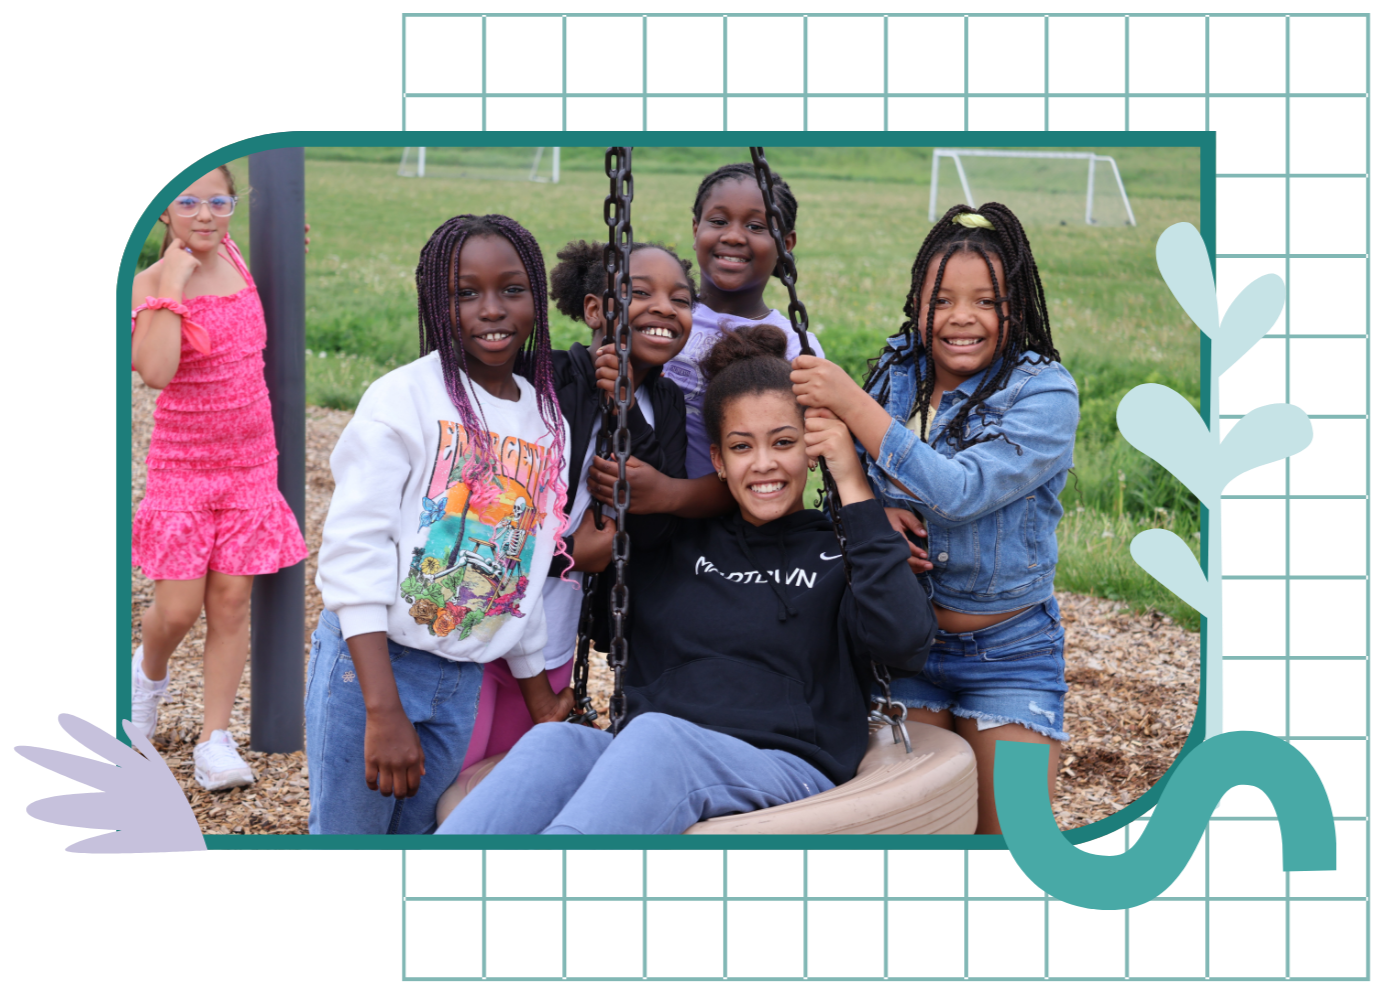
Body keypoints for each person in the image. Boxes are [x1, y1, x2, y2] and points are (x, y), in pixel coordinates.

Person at [436, 325, 936, 835]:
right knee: (556, 743)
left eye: (784, 442)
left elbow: (903, 643)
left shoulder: (841, 550)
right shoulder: (674, 543)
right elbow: (603, 617)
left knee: (658, 739)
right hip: (650, 755)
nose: (764, 463)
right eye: (742, 447)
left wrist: (852, 483)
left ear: (811, 447)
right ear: (718, 460)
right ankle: (422, 893)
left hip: (784, 763)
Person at [789, 203, 1080, 834]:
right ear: (916, 305)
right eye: (942, 299)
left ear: (1018, 309)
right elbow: (848, 476)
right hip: (904, 646)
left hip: (1009, 651)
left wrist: (845, 398)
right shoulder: (899, 374)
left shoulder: (1044, 393)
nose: (961, 318)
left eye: (985, 300)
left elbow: (962, 489)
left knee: (1011, 840)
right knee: (915, 834)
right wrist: (875, 510)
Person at [308, 214, 571, 834]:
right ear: (434, 299)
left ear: (536, 296)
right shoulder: (402, 400)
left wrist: (540, 703)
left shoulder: (543, 420)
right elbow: (355, 550)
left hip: (461, 683)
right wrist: (381, 709)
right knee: (346, 848)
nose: (491, 310)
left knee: (421, 841)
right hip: (373, 667)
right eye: (465, 293)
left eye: (512, 290)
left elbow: (521, 570)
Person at [130, 166, 308, 791]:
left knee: (231, 602)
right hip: (183, 465)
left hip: (250, 463)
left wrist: (293, 243)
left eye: (219, 201)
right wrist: (172, 286)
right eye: (188, 202)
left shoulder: (235, 254)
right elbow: (154, 371)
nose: (205, 215)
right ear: (163, 213)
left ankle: (215, 739)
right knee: (176, 611)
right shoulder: (147, 280)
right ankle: (147, 675)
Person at [585, 162, 824, 517]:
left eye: (756, 226)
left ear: (785, 244)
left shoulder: (792, 346)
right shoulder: (660, 317)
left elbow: (785, 460)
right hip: (631, 508)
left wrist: (671, 494)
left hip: (726, 523)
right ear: (696, 229)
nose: (733, 236)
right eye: (718, 221)